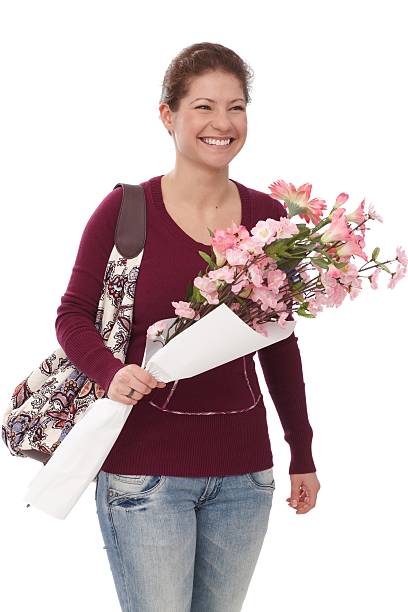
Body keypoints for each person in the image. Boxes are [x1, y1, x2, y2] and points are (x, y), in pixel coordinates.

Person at [55, 42, 320, 612]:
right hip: (143, 475)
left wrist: (302, 450)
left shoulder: (269, 219)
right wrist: (111, 371)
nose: (222, 123)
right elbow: (73, 314)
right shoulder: (126, 209)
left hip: (245, 479)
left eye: (236, 107)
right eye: (203, 107)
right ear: (168, 115)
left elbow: (280, 345)